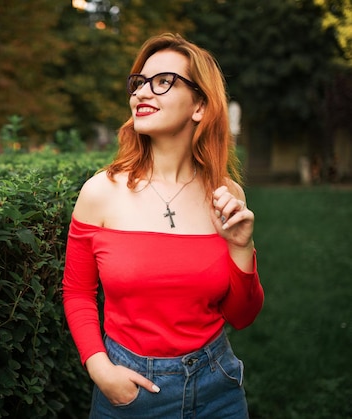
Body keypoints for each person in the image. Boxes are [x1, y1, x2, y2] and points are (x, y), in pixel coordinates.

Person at [62, 33, 264, 418]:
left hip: (217, 387)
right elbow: (77, 291)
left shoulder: (226, 193)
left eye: (163, 81)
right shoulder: (101, 191)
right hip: (130, 390)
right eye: (138, 82)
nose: (141, 93)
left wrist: (241, 247)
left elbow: (243, 316)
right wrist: (99, 368)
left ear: (200, 105)